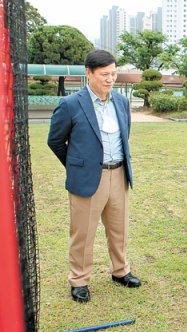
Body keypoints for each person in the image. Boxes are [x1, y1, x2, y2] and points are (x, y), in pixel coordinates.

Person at [48, 50, 141, 303]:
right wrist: (77, 166)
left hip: (119, 173)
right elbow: (55, 141)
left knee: (119, 228)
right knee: (83, 232)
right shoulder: (71, 104)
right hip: (88, 178)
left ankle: (120, 271)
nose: (110, 79)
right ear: (88, 73)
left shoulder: (121, 102)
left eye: (113, 73)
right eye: (104, 74)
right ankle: (79, 280)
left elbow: (125, 133)